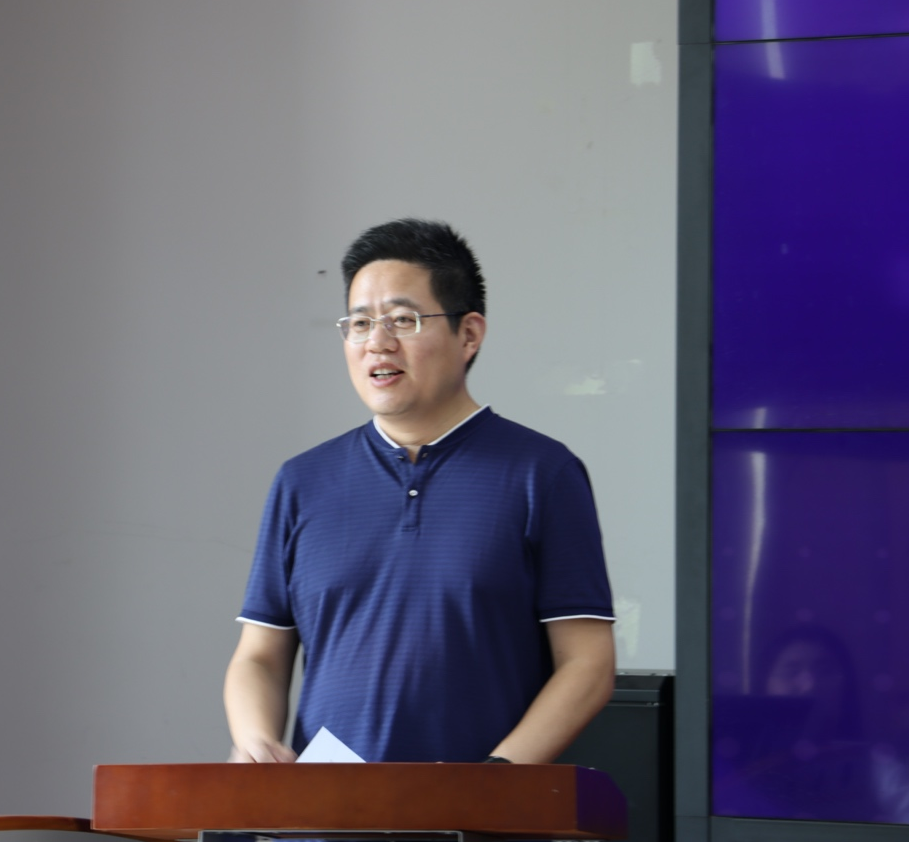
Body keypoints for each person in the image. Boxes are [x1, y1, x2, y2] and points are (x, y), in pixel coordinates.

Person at [223, 218, 615, 765]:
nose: (376, 343)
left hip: (478, 807)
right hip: (325, 805)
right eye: (360, 323)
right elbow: (260, 655)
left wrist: (496, 780)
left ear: (468, 334)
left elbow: (587, 663)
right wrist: (256, 739)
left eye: (403, 320)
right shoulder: (303, 481)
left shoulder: (541, 473)